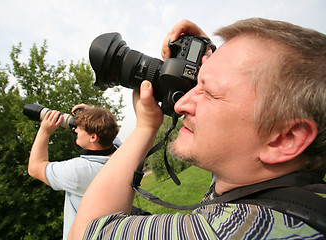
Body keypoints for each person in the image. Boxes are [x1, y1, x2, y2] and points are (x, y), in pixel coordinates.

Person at [68, 18, 326, 239]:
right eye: (196, 82)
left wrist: (145, 127)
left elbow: (87, 232)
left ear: (286, 138)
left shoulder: (228, 231)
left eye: (210, 93)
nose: (181, 104)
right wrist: (219, 61)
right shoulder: (299, 198)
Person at [28, 103, 121, 240]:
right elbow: (109, 131)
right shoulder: (121, 154)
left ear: (93, 137)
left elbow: (34, 168)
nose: (75, 130)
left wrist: (45, 130)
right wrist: (92, 114)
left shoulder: (80, 170)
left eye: (79, 128)